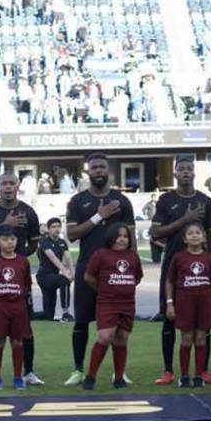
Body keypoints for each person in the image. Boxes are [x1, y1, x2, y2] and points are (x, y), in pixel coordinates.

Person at [64, 153, 135, 386]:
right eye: (94, 167)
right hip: (88, 268)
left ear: (108, 171)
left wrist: (132, 266)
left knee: (116, 327)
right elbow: (72, 235)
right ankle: (78, 370)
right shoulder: (78, 201)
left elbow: (131, 237)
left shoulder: (122, 201)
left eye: (102, 167)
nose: (98, 171)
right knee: (82, 321)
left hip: (117, 271)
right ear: (88, 171)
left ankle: (118, 372)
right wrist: (98, 216)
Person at [151, 155, 211, 384]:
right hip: (174, 266)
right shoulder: (165, 200)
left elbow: (210, 236)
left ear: (194, 173)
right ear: (175, 173)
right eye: (181, 169)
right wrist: (185, 219)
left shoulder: (205, 200)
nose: (185, 172)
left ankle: (203, 370)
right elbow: (156, 232)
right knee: (169, 317)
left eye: (189, 169)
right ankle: (168, 370)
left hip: (202, 270)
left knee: (204, 319)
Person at [0, 173, 42, 386]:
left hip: (18, 278)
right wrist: (4, 223)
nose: (8, 187)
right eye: (4, 183)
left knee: (24, 328)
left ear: (18, 186)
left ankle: (27, 372)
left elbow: (33, 244)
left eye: (12, 183)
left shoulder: (28, 211)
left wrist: (18, 259)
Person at [81, 223, 143, 390]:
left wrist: (125, 287)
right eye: (119, 236)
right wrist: (104, 289)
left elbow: (137, 277)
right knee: (105, 336)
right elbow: (88, 277)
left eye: (125, 236)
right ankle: (90, 377)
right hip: (107, 302)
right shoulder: (101, 254)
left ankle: (119, 378)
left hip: (128, 303)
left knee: (122, 339)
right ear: (111, 237)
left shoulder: (132, 256)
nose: (122, 239)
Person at [164, 222, 211, 388]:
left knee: (201, 338)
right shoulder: (179, 258)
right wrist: (169, 304)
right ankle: (185, 375)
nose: (194, 235)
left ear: (204, 238)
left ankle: (199, 375)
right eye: (190, 233)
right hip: (184, 303)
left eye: (198, 233)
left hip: (204, 304)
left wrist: (209, 299)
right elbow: (169, 281)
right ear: (185, 239)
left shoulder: (209, 258)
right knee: (187, 338)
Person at [0, 224, 33, 390]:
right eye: (5, 239)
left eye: (12, 239)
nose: (9, 242)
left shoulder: (23, 261)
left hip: (18, 306)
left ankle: (18, 377)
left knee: (17, 341)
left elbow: (26, 284)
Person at [37, 217, 74, 321]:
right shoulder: (45, 242)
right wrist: (65, 273)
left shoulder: (62, 242)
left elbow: (68, 257)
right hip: (44, 276)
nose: (56, 229)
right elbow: (53, 258)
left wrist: (72, 272)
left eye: (58, 226)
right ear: (48, 229)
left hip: (53, 276)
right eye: (53, 227)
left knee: (48, 315)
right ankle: (66, 313)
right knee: (64, 280)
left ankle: (26, 315)